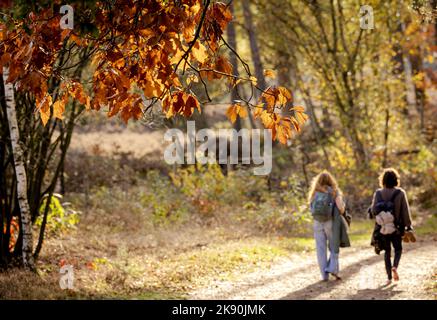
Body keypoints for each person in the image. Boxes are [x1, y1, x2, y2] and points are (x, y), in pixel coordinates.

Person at [370, 168, 413, 285]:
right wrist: (408, 226)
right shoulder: (400, 193)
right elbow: (405, 211)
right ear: (396, 180)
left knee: (387, 252)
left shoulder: (378, 193)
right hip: (397, 228)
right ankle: (395, 266)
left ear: (383, 180)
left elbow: (374, 211)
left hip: (382, 228)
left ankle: (389, 277)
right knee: (398, 249)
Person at [308, 170, 350, 281]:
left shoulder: (314, 192)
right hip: (330, 222)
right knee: (333, 246)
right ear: (331, 180)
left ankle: (324, 275)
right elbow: (341, 208)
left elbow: (311, 208)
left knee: (320, 249)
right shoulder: (334, 192)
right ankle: (333, 269)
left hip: (317, 222)